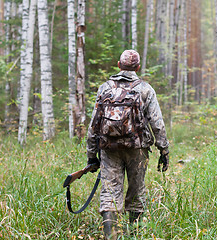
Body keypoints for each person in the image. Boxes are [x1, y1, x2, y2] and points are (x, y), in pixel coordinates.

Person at [86, 49, 169, 239]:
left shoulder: (104, 88)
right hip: (137, 149)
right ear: (138, 67)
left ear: (118, 65)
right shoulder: (146, 89)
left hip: (108, 149)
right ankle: (135, 235)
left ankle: (111, 236)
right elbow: (157, 123)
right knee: (137, 191)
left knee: (109, 193)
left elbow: (94, 124)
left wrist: (91, 154)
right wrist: (164, 150)